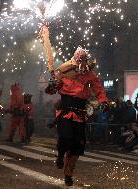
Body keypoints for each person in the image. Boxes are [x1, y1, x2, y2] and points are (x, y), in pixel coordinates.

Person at [45, 47, 108, 186]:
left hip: (80, 113)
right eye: (79, 60)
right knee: (66, 138)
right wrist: (51, 86)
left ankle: (68, 173)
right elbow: (51, 90)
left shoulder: (90, 75)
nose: (81, 63)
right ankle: (60, 156)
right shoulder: (63, 71)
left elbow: (98, 89)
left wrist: (104, 101)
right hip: (65, 111)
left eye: (84, 60)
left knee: (78, 145)